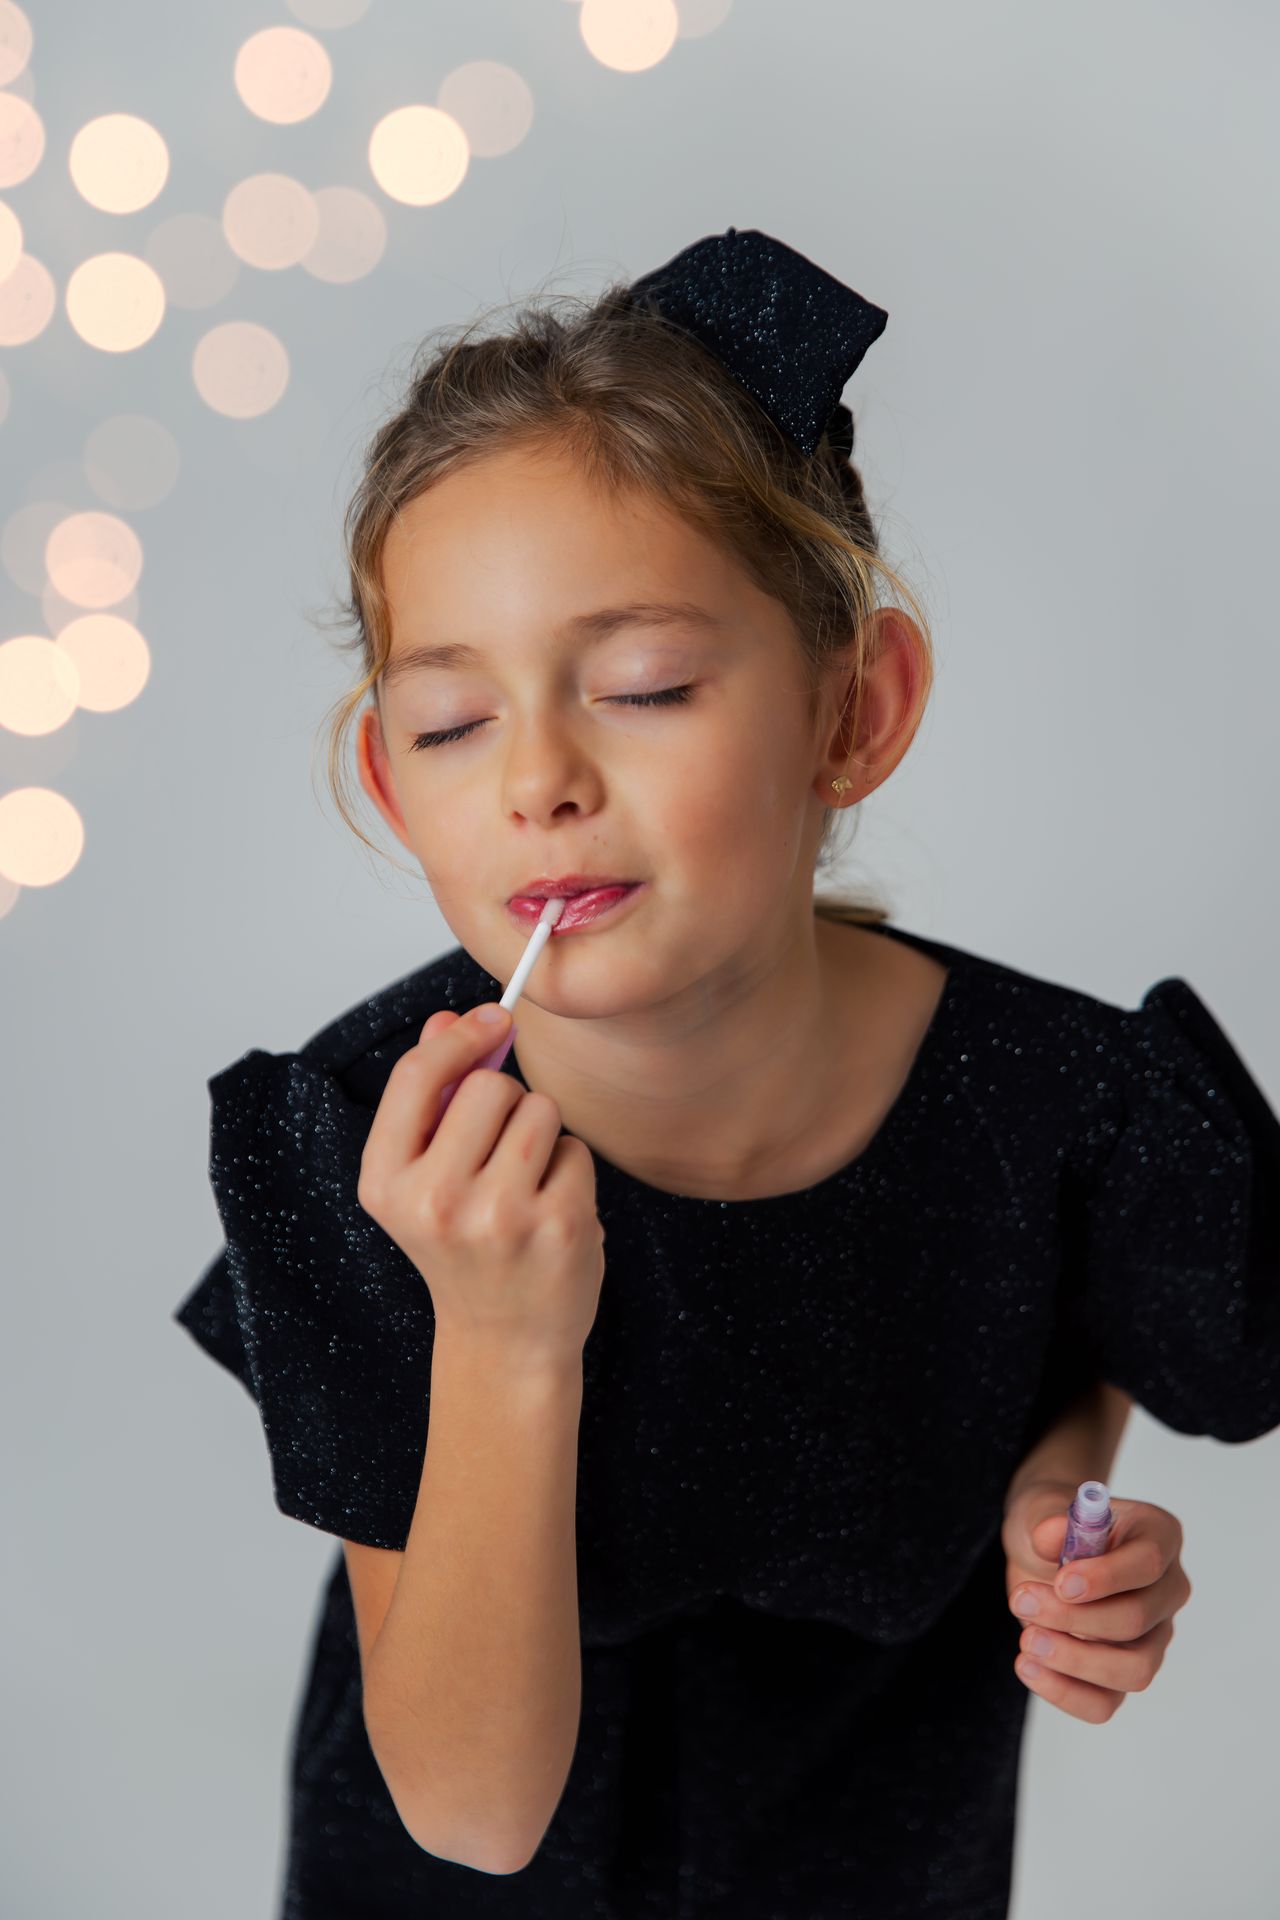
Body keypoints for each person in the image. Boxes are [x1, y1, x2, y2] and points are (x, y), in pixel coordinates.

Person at [173, 229, 1280, 1919]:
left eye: (645, 686)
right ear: (394, 792)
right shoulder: (364, 1155)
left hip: (876, 1859)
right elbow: (470, 1810)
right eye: (453, 723)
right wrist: (500, 1334)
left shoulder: (1069, 1102)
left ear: (854, 711)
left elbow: (1063, 1320)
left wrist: (1062, 1497)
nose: (539, 775)